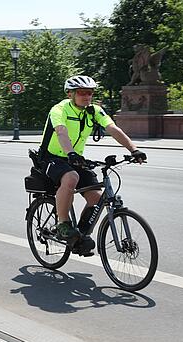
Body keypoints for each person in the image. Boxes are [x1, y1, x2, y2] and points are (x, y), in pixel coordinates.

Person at [39, 75, 146, 243]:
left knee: (97, 198)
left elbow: (112, 128)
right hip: (51, 157)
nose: (87, 97)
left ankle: (79, 236)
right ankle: (63, 224)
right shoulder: (59, 109)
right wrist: (70, 153)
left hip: (74, 158)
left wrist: (134, 149)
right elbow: (61, 131)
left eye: (90, 93)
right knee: (71, 177)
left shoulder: (94, 111)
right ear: (70, 94)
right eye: (82, 93)